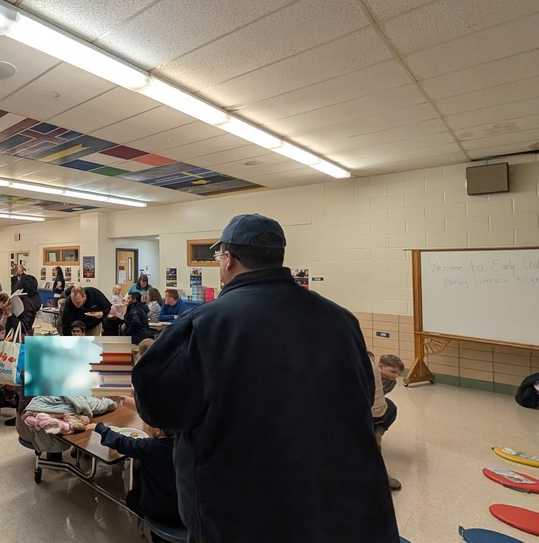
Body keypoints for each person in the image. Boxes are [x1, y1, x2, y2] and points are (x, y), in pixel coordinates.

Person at [132, 214, 398, 542]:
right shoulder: (341, 320)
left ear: (228, 260)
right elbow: (364, 397)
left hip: (241, 509)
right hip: (335, 502)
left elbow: (158, 408)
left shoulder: (205, 323)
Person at [91, 420, 183, 531]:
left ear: (157, 431)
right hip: (188, 510)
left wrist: (99, 428)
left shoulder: (150, 448)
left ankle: (149, 529)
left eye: (146, 422)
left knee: (132, 497)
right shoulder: (188, 446)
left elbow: (121, 441)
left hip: (159, 512)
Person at [373, 353, 405, 490]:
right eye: (392, 372)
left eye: (398, 374)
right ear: (380, 367)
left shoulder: (390, 382)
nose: (395, 376)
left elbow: (379, 397)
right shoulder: (369, 374)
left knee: (391, 408)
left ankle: (378, 431)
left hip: (374, 406)